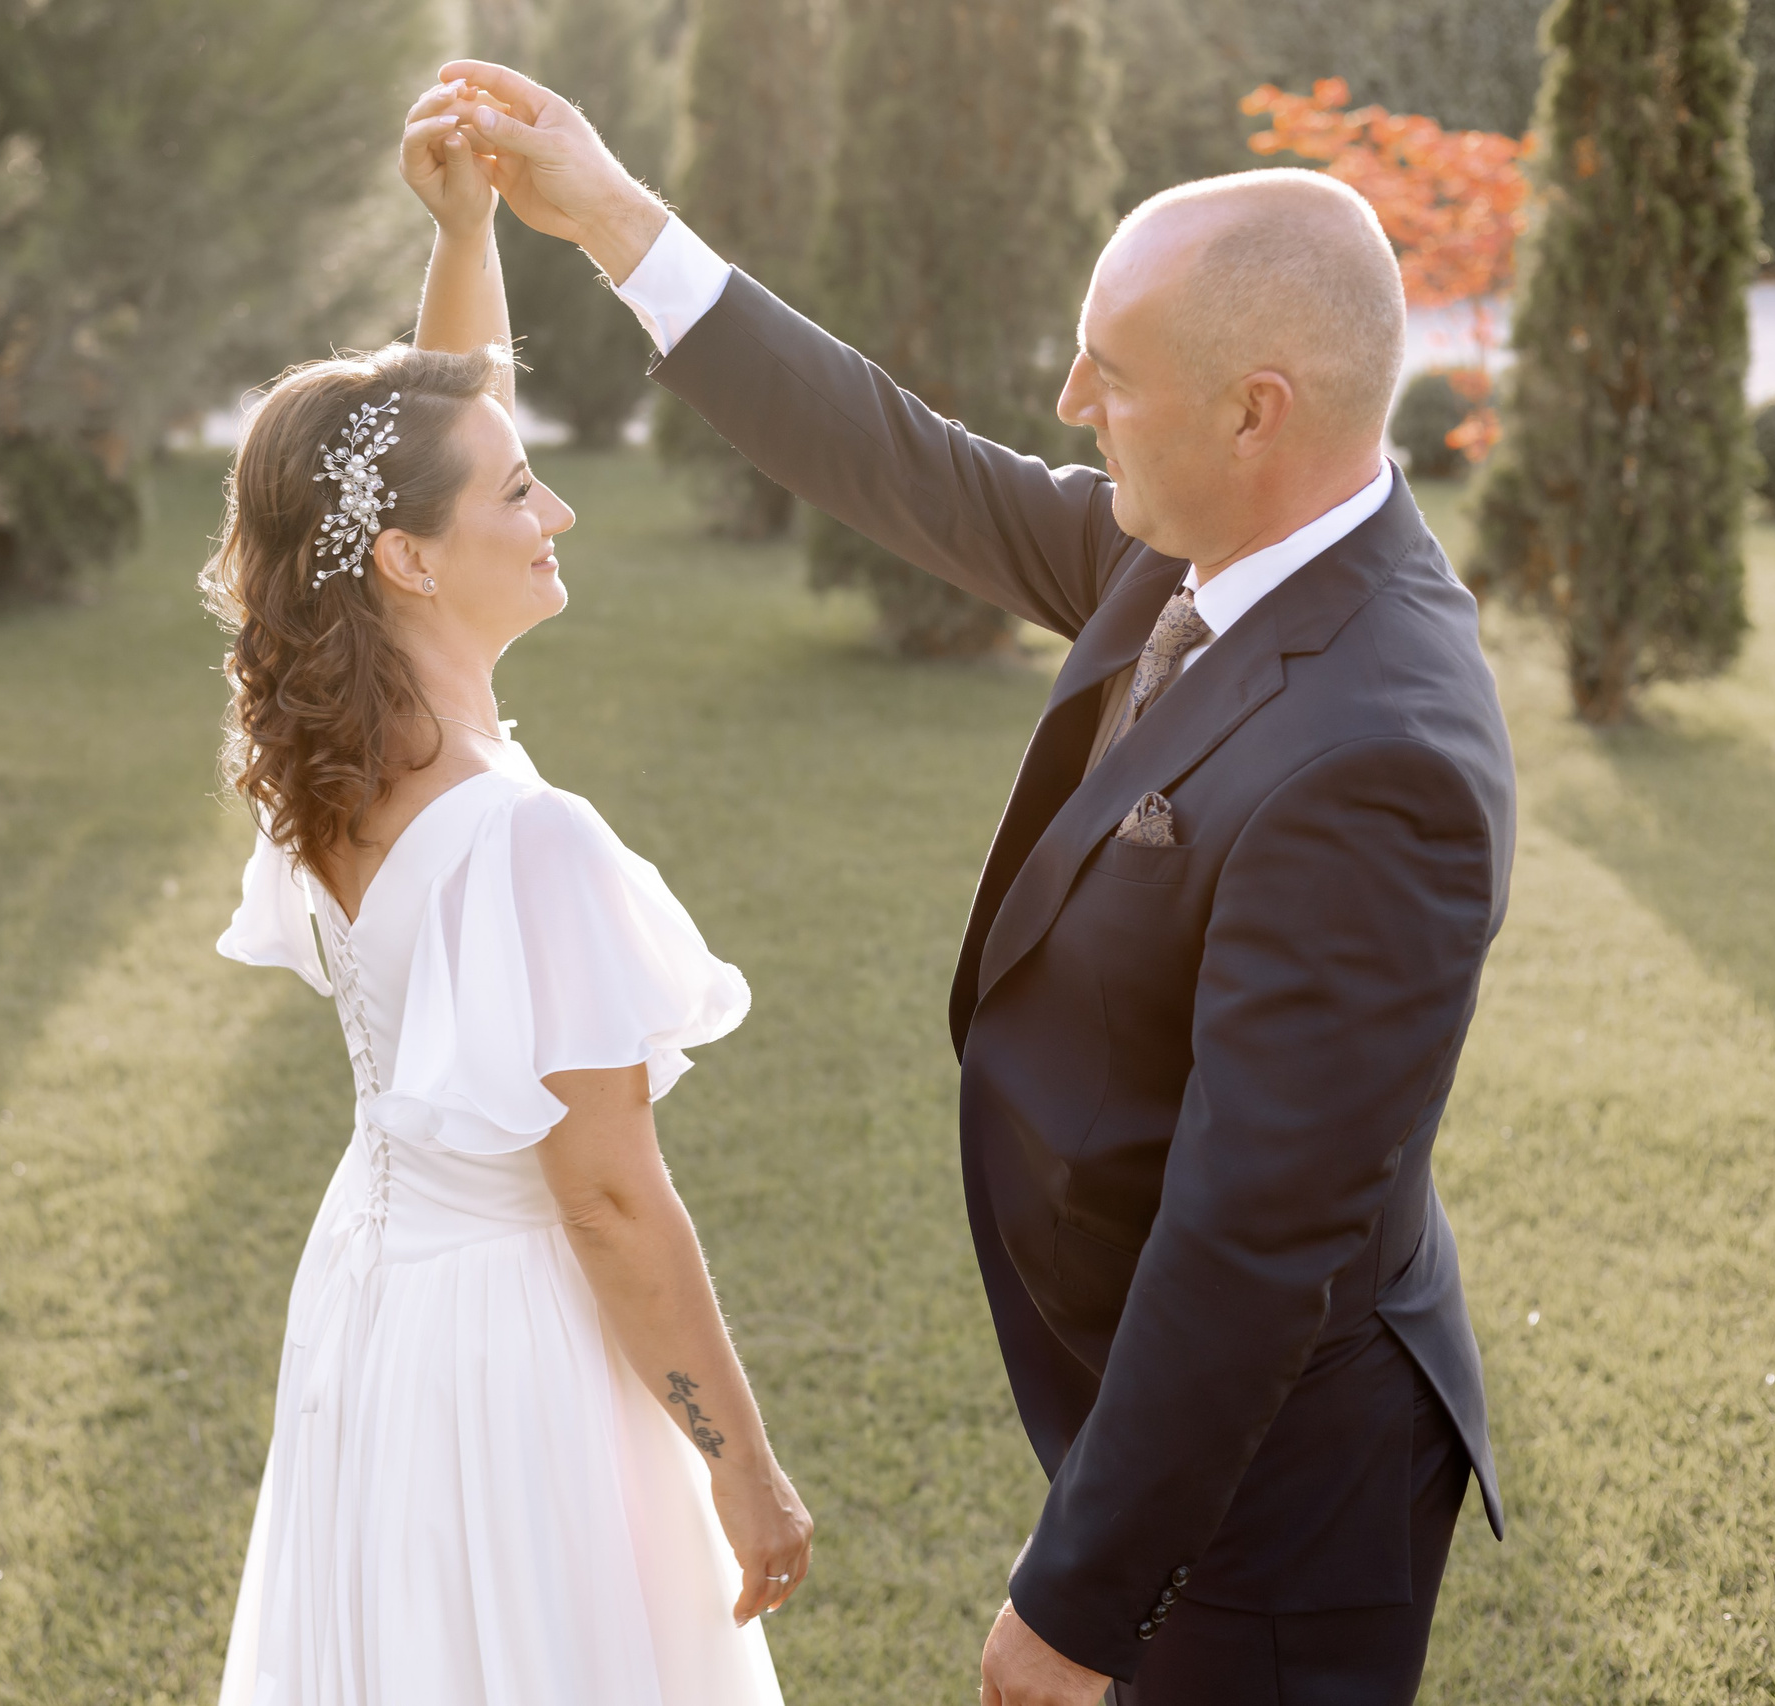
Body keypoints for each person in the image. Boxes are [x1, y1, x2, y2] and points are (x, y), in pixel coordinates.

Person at [432, 61, 1517, 1706]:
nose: (1072, 399)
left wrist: (1080, 1604)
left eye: (1114, 371)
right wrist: (605, 214)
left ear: (1258, 408)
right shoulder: (1197, 540)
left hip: (1280, 1497)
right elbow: (906, 463)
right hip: (1154, 1405)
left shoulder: (1383, 760)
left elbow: (1255, 1237)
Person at [201, 81, 808, 1706]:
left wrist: (466, 235)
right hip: (520, 1350)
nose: (558, 510)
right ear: (406, 559)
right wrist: (743, 1464)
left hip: (381, 1314)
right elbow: (610, 1197)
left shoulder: (332, 767)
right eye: (519, 494)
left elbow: (424, 443)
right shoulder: (528, 841)